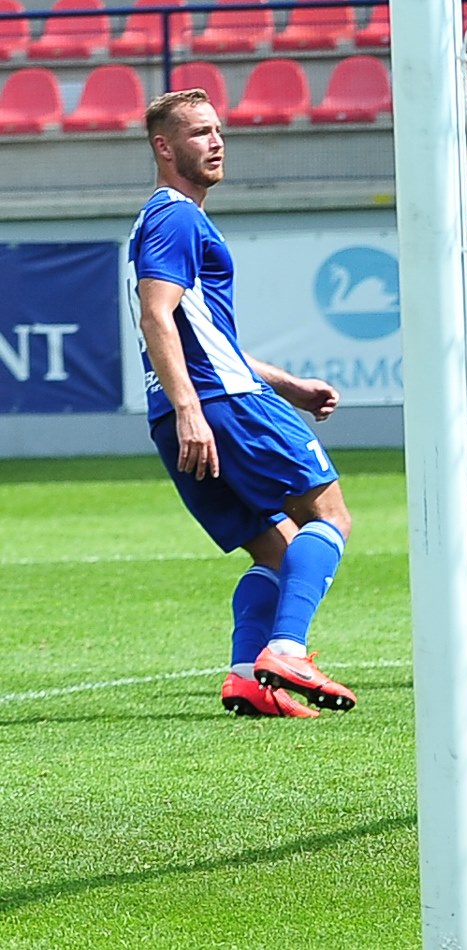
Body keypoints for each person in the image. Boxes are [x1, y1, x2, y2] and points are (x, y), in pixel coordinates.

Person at [129, 89, 356, 718]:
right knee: (330, 515)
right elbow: (156, 315)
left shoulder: (159, 221)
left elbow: (204, 337)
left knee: (277, 550)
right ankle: (286, 650)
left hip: (184, 409)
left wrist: (290, 385)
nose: (216, 142)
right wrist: (191, 409)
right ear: (164, 147)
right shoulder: (175, 217)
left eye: (218, 130)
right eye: (199, 133)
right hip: (220, 405)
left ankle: (246, 676)